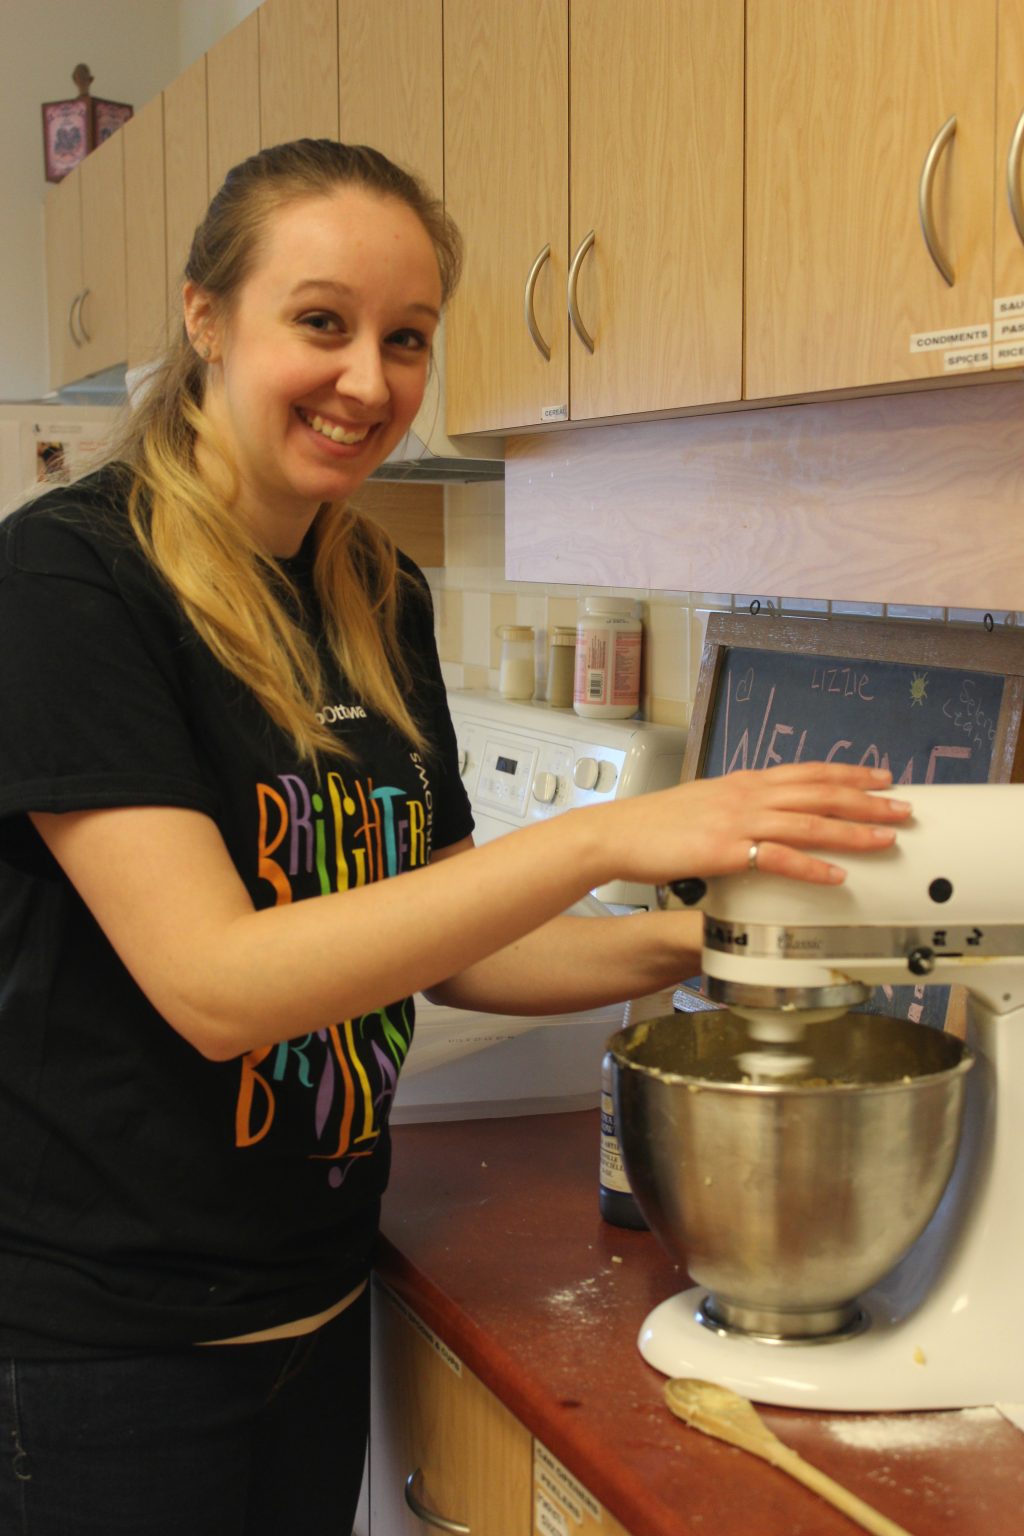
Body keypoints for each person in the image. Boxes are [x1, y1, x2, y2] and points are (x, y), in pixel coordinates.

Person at [0, 139, 910, 1536]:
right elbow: (215, 985)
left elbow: (453, 943)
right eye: (322, 322)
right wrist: (605, 838)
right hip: (103, 1355)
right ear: (206, 317)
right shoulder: (70, 580)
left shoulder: (374, 590)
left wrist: (726, 936)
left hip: (313, 1300)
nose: (369, 382)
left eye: (407, 337)